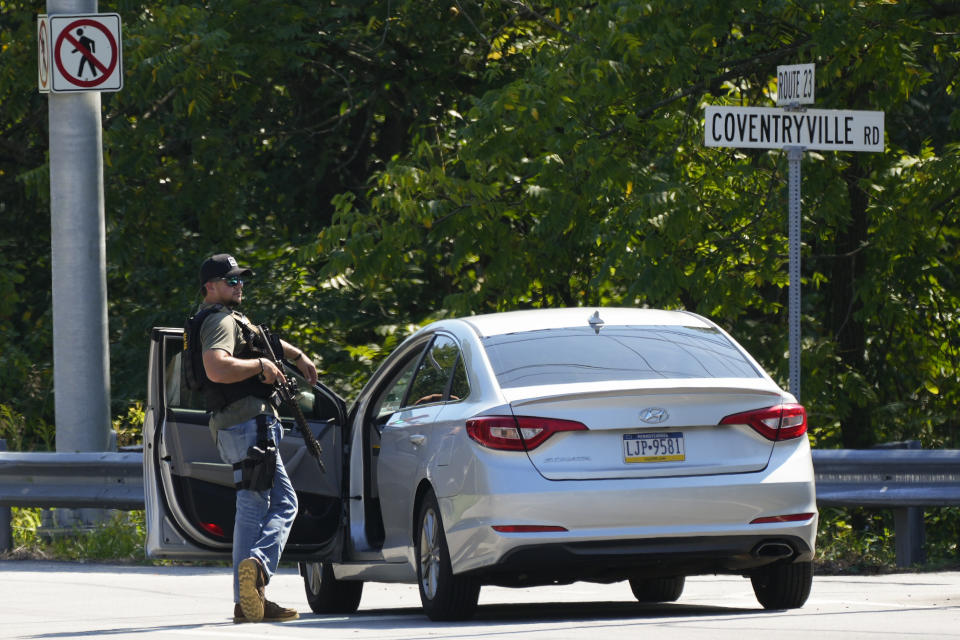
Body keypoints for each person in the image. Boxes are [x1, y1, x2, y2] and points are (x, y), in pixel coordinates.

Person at [194, 253, 318, 623]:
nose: (239, 286)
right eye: (231, 281)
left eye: (240, 280)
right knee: (286, 504)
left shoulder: (228, 318)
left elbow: (262, 341)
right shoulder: (218, 321)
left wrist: (296, 357)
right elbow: (216, 367)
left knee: (250, 509)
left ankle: (247, 602)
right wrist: (261, 367)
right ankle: (260, 568)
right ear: (210, 287)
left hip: (234, 424)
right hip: (249, 423)